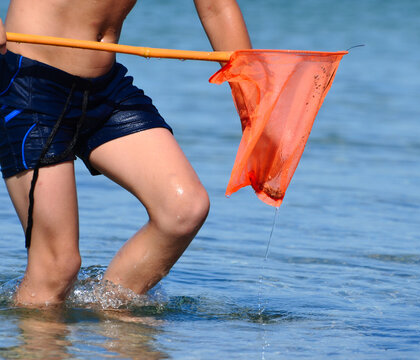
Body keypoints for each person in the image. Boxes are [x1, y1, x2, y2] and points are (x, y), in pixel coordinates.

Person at [0, 0, 252, 306]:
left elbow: (216, 7)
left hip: (105, 86)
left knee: (183, 210)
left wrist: (252, 105)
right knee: (56, 268)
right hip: (28, 82)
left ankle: (111, 321)